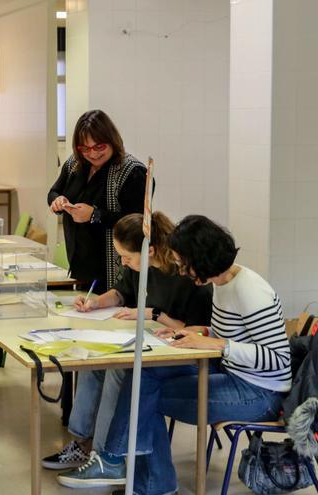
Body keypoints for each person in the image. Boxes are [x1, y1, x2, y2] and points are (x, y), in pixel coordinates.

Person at [60, 215, 291, 495]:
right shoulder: (222, 283)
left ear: (200, 258)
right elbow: (221, 332)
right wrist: (198, 333)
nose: (181, 270)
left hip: (260, 394)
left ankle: (133, 472)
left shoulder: (251, 290)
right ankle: (135, 473)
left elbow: (279, 360)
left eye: (183, 263)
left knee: (146, 395)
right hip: (231, 374)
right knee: (142, 374)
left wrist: (217, 345)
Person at [42, 212, 212, 472]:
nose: (123, 262)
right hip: (151, 343)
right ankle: (81, 441)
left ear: (150, 251)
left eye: (127, 257)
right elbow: (121, 293)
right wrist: (96, 302)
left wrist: (155, 314)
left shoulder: (189, 277)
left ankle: (103, 453)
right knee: (95, 361)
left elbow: (198, 332)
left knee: (118, 369)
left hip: (181, 355)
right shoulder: (139, 268)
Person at [47, 109, 148, 294]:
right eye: (85, 148)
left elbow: (137, 222)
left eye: (99, 147)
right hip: (80, 265)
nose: (92, 154)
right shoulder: (75, 164)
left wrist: (95, 215)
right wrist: (57, 201)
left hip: (112, 270)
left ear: (112, 140)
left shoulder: (132, 172)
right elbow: (54, 191)